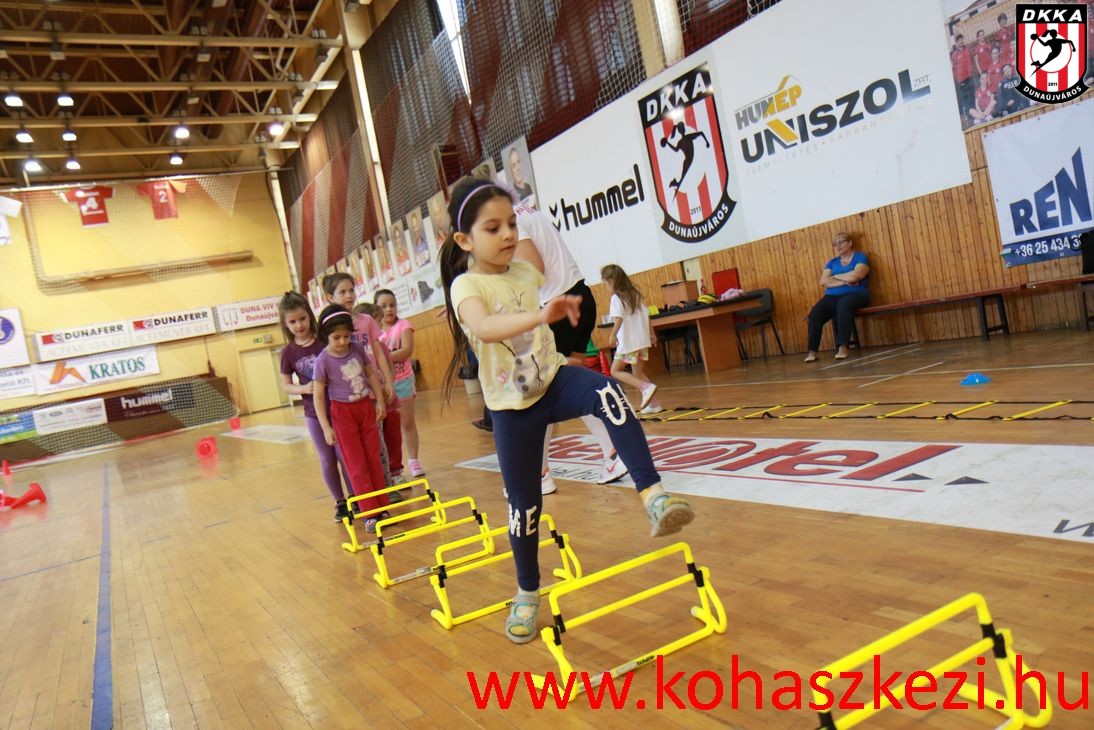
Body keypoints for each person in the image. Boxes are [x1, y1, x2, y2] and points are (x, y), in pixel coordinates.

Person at [440, 177, 695, 644]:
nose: (508, 234)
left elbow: (536, 294)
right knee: (524, 507)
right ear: (464, 240)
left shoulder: (525, 272)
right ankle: (527, 591)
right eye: (493, 228)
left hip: (552, 380)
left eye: (512, 224)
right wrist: (542, 316)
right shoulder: (466, 285)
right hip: (512, 408)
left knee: (608, 393)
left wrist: (556, 329)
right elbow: (486, 326)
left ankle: (654, 495)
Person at [312, 304, 391, 533]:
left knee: (373, 458)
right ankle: (369, 513)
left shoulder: (356, 348)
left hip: (365, 407)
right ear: (326, 335)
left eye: (346, 336)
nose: (343, 342)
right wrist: (326, 427)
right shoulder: (323, 360)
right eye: (336, 338)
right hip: (343, 413)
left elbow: (370, 374)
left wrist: (380, 401)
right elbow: (319, 395)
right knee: (356, 464)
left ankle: (383, 507)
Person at [278, 291, 354, 522]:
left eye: (302, 318)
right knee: (327, 458)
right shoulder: (288, 352)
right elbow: (286, 385)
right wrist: (303, 388)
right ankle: (340, 502)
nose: (299, 325)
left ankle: (355, 497)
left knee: (345, 455)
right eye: (292, 321)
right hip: (314, 414)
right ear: (285, 324)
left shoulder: (324, 341)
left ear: (309, 316)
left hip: (339, 407)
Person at [354, 302, 404, 491]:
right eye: (377, 320)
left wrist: (389, 384)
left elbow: (389, 366)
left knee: (392, 435)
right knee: (376, 439)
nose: (379, 325)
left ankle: (395, 471)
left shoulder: (380, 346)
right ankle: (381, 479)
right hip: (368, 395)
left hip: (386, 396)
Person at [601, 264, 664, 415]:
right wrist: (652, 334)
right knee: (638, 373)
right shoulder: (634, 295)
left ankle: (645, 387)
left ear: (611, 282)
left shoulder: (616, 298)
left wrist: (613, 334)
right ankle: (654, 404)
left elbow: (619, 318)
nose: (605, 287)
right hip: (642, 342)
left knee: (615, 371)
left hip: (629, 343)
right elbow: (646, 316)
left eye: (605, 284)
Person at [375, 289, 425, 478]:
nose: (389, 309)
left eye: (392, 305)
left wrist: (383, 357)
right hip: (382, 384)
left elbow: (406, 350)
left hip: (403, 380)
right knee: (387, 427)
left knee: (408, 422)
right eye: (384, 306)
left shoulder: (404, 325)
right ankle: (392, 466)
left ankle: (414, 460)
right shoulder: (374, 331)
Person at [804, 232, 870, 363]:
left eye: (841, 242)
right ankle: (812, 351)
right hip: (832, 296)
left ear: (850, 243)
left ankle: (843, 348)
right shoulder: (832, 262)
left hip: (856, 294)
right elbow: (824, 281)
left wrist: (835, 277)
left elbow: (857, 276)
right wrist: (845, 281)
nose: (838, 246)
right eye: (835, 244)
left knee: (843, 305)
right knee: (815, 313)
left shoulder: (859, 257)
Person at [951, 34, 975, 120]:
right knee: (965, 97)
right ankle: (968, 115)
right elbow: (954, 68)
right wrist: (958, 79)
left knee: (972, 94)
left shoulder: (968, 50)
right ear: (957, 42)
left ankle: (974, 113)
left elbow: (972, 61)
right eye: (960, 40)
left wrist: (972, 71)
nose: (961, 41)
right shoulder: (954, 54)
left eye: (962, 40)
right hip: (962, 80)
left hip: (970, 76)